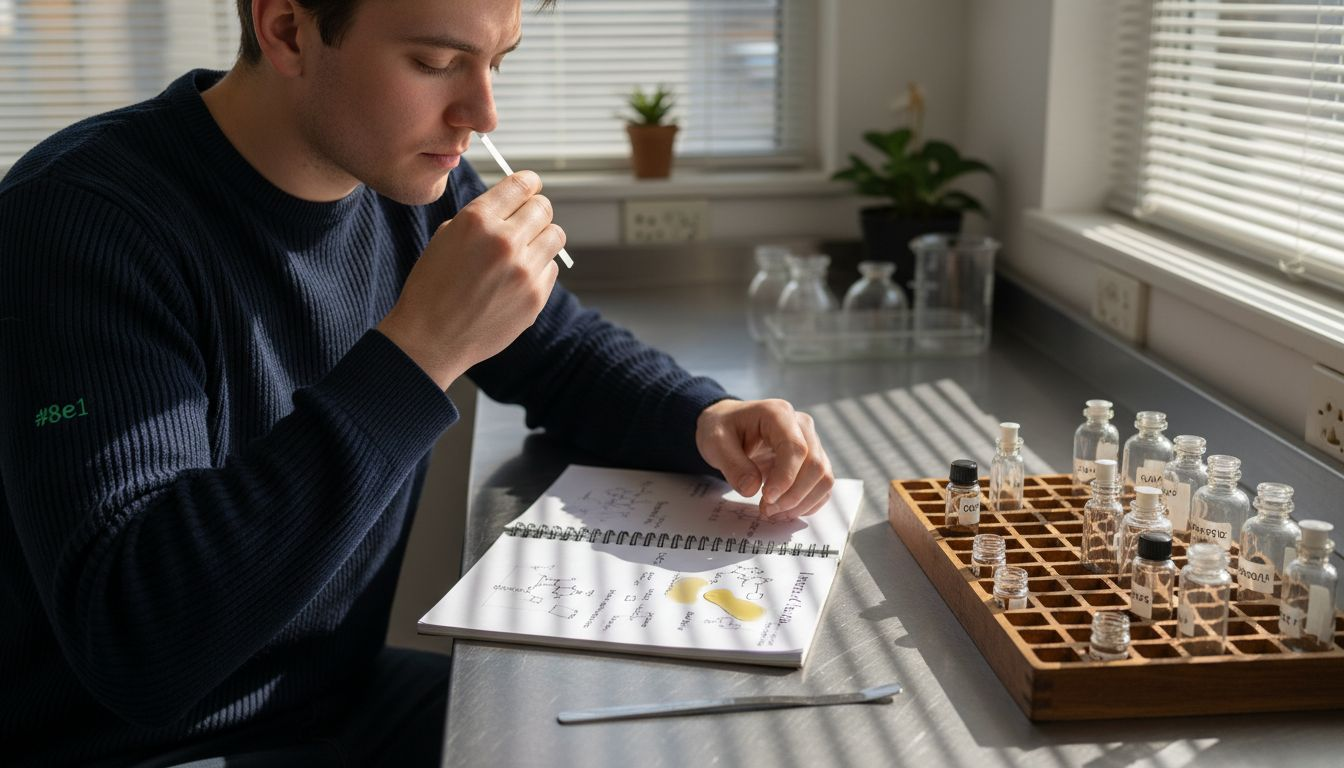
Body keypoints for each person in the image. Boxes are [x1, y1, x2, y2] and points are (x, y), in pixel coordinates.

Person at [0, 0, 835, 765]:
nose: (481, 114)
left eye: (496, 62)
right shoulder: (79, 221)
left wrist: (707, 414)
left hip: (330, 708)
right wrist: (419, 352)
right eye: (436, 63)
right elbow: (141, 641)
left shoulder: (408, 180)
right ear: (287, 28)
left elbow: (561, 351)